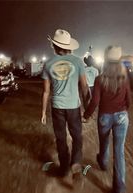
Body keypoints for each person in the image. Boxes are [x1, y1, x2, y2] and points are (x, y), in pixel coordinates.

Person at [41, 29, 90, 178]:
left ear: (55, 46)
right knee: (77, 136)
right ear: (68, 46)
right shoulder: (78, 61)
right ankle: (75, 162)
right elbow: (84, 87)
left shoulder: (48, 64)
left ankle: (64, 168)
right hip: (73, 107)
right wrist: (87, 109)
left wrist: (43, 112)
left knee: (60, 138)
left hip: (57, 107)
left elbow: (46, 92)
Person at [83, 45, 131, 193]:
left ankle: (103, 162)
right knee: (119, 151)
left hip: (105, 116)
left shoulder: (99, 79)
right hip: (122, 116)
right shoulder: (124, 78)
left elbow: (95, 101)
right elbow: (129, 100)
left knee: (104, 143)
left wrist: (86, 115)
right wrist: (123, 111)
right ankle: (119, 188)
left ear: (105, 60)